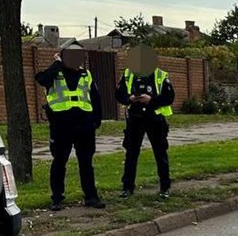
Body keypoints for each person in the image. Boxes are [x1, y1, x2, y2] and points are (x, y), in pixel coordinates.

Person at [34, 52, 105, 211]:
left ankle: (91, 197)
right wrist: (57, 63)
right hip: (61, 126)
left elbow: (95, 98)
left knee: (86, 163)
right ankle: (57, 198)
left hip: (84, 126)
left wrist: (95, 122)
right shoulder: (54, 74)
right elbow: (42, 79)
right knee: (59, 162)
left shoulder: (86, 75)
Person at [116, 64, 175, 199]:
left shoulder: (160, 75)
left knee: (160, 153)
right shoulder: (128, 74)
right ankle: (127, 188)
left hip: (154, 117)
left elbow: (169, 97)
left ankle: (165, 187)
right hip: (135, 118)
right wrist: (129, 98)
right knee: (131, 154)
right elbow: (119, 94)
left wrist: (151, 100)